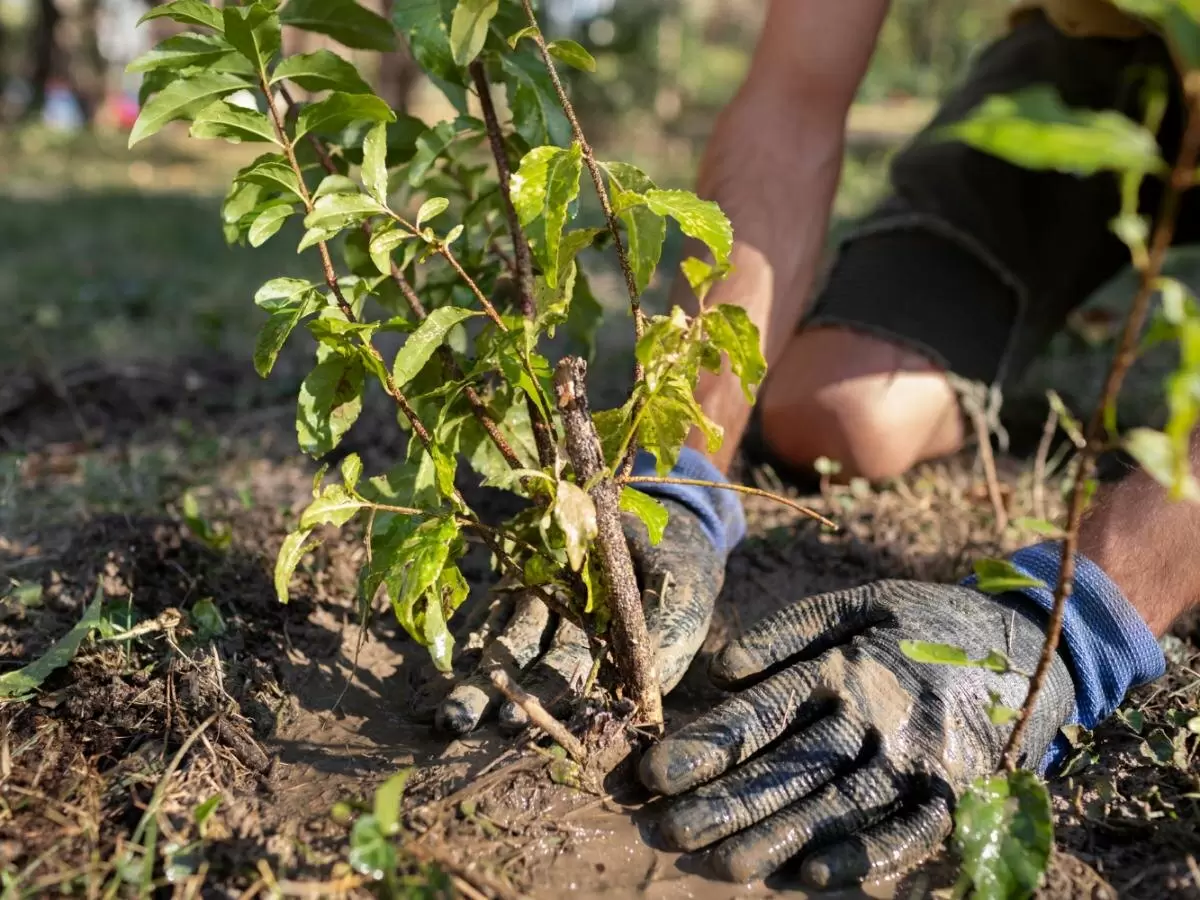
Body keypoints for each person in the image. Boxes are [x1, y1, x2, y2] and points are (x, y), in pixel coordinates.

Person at [437, 0, 1200, 888]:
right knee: (838, 414)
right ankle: (1064, 313)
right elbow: (792, 100)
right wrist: (678, 460)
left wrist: (1081, 621)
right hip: (1089, 68)